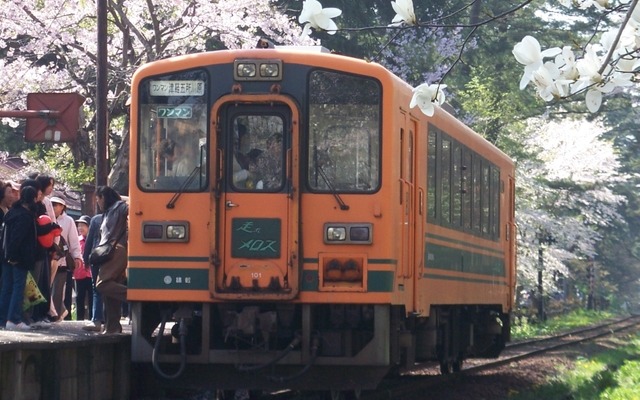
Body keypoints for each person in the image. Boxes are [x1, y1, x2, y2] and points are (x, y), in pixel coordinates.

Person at [0, 185, 39, 330]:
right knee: (18, 287)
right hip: (18, 258)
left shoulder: (11, 212)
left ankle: (2, 319)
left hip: (5, 256)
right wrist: (14, 256)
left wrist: (8, 255)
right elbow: (18, 238)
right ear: (33, 199)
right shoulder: (25, 216)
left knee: (6, 287)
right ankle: (14, 319)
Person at [94, 186, 128, 334]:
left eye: (98, 199)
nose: (97, 202)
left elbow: (132, 204)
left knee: (102, 285)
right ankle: (112, 327)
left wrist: (123, 199)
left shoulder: (119, 207)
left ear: (103, 197)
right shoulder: (109, 210)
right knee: (111, 292)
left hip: (115, 250)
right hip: (113, 250)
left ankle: (135, 295)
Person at [50, 197, 83, 322]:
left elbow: (74, 241)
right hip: (49, 259)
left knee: (58, 290)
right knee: (47, 288)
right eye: (52, 204)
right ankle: (53, 313)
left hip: (62, 260)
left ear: (63, 206)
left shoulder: (68, 221)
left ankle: (57, 314)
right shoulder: (47, 217)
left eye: (57, 204)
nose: (54, 207)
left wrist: (77, 257)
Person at [82, 213, 105, 332]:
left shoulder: (96, 219)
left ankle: (96, 320)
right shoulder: (118, 217)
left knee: (97, 289)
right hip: (112, 257)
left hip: (96, 256)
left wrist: (85, 258)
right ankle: (110, 321)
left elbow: (89, 241)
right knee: (109, 288)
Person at [74, 215, 93, 321]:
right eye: (79, 225)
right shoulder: (76, 240)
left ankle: (93, 319)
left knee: (92, 298)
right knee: (79, 298)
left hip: (91, 274)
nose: (80, 228)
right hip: (79, 273)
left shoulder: (94, 240)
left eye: (83, 225)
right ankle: (79, 320)